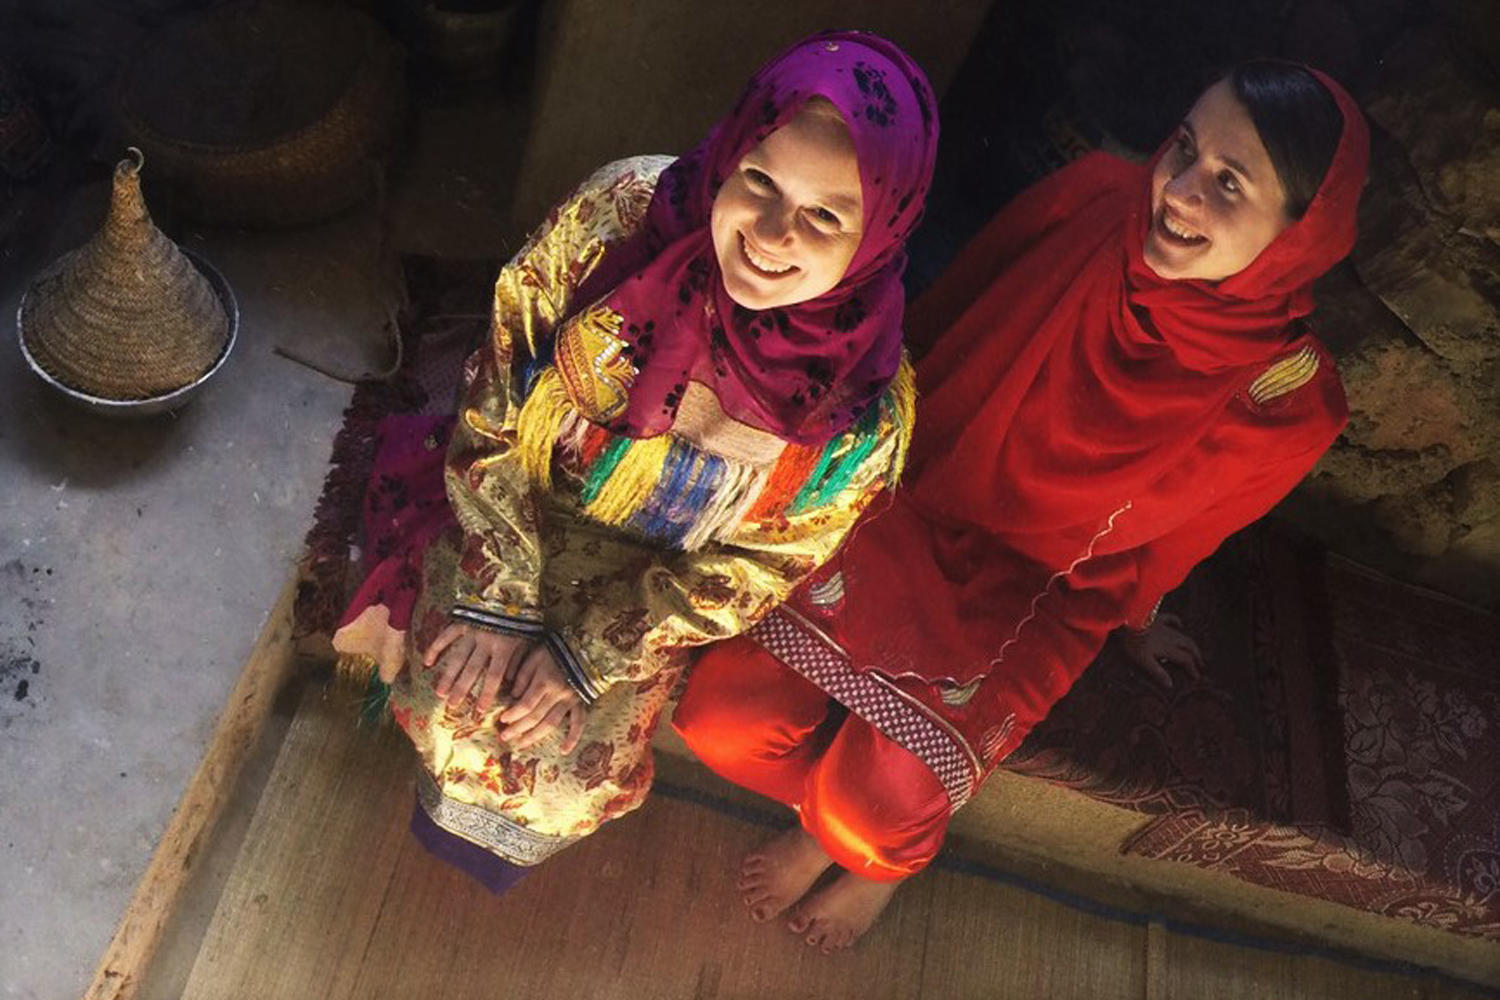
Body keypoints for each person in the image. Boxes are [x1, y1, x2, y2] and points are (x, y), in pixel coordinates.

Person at [673, 60, 1369, 952]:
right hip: (917, 485)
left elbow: (1189, 529)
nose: (1180, 191)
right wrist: (843, 438)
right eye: (1186, 148)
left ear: (1300, 234)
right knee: (722, 726)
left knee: (872, 817)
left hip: (1043, 583)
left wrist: (1137, 617)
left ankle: (862, 858)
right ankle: (824, 819)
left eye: (1229, 184)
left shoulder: (1286, 398)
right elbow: (955, 304)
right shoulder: (1092, 199)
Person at [331, 31, 938, 890]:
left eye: (825, 217)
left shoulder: (859, 415)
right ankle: (448, 794)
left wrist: (594, 650)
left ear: (880, 232)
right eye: (758, 182)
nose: (769, 234)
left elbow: (760, 565)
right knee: (451, 702)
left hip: (653, 584)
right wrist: (497, 596)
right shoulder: (623, 217)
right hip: (516, 509)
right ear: (729, 155)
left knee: (563, 764)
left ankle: (508, 844)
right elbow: (500, 379)